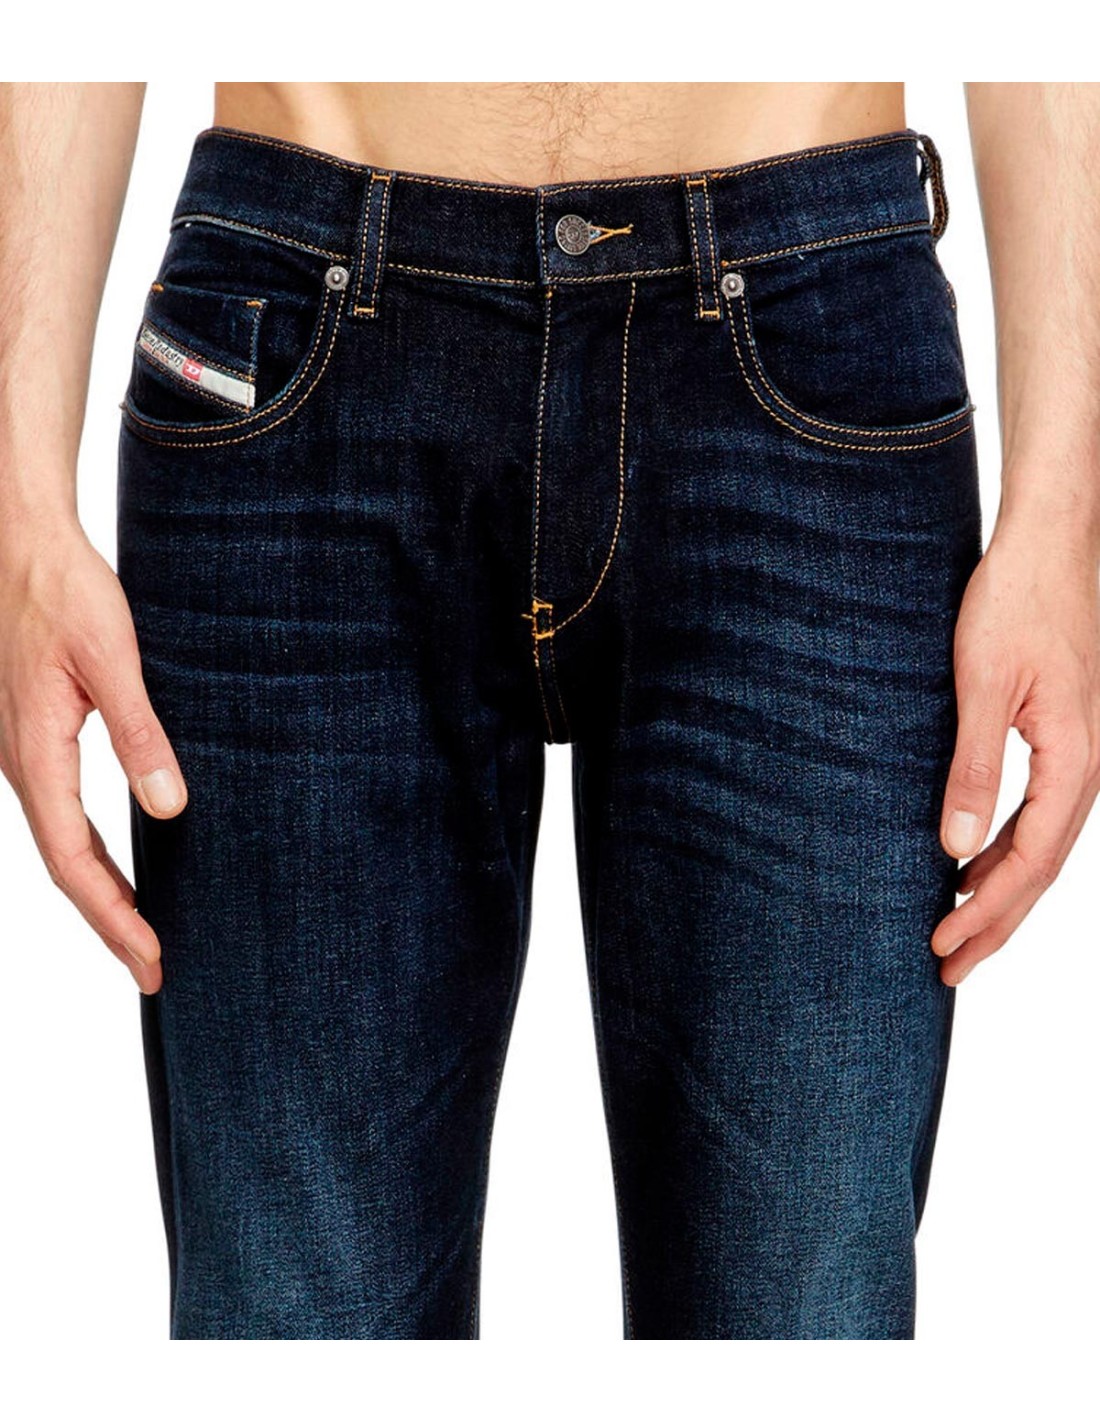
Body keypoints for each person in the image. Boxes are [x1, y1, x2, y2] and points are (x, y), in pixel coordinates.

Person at [0, 82, 1097, 1341]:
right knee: (291, 1327)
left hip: (803, 338)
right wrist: (17, 504)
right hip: (304, 318)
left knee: (800, 1322)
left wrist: (1063, 517)